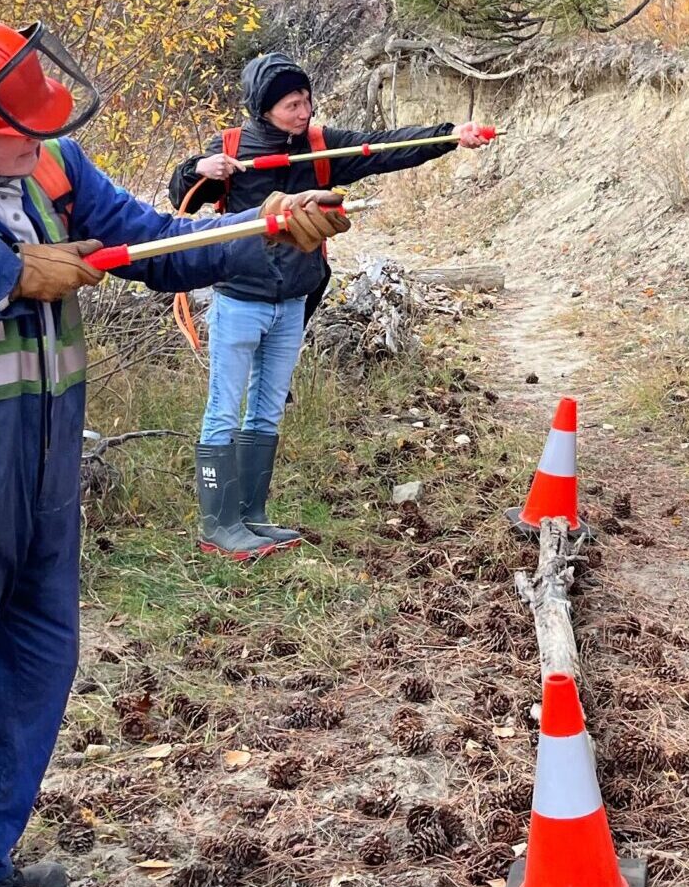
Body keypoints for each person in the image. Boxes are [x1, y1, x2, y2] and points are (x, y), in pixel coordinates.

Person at [0, 15, 346, 887]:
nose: (37, 142)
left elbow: (157, 246)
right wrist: (2, 275)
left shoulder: (54, 169)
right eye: (17, 128)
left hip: (40, 481)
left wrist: (267, 233)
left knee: (32, 668)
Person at [186, 52, 488, 557]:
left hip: (292, 303)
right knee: (223, 410)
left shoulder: (321, 148)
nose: (302, 112)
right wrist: (200, 168)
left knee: (265, 414)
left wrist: (450, 134)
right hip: (239, 301)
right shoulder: (232, 150)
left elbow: (384, 149)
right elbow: (185, 196)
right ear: (264, 109)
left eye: (305, 101)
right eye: (290, 105)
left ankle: (251, 517)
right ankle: (217, 525)